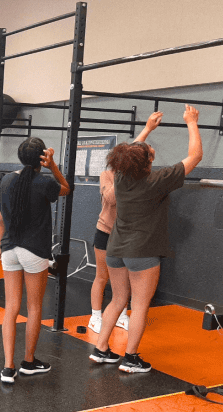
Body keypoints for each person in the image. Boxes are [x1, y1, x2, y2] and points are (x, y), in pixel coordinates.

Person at [90, 106, 203, 373]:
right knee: (139, 305)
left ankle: (101, 349)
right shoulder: (158, 180)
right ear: (148, 164)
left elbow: (130, 154)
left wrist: (148, 128)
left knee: (118, 300)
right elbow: (195, 155)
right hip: (142, 251)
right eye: (151, 155)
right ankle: (130, 359)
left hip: (115, 248)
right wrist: (191, 122)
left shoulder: (121, 176)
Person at [0, 137, 70, 383]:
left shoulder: (6, 180)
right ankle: (29, 361)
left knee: (12, 307)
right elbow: (67, 189)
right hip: (34, 251)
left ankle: (8, 367)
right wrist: (54, 167)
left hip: (9, 249)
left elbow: (0, 221)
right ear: (42, 158)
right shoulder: (45, 182)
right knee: (34, 307)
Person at [87, 168, 130, 333]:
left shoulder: (137, 175)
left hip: (126, 234)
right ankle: (95, 316)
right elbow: (110, 199)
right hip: (105, 231)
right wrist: (121, 175)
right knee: (102, 276)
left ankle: (121, 315)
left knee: (125, 279)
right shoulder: (107, 174)